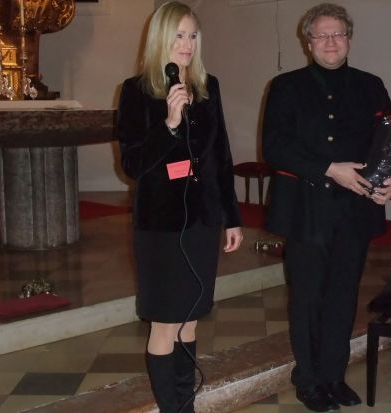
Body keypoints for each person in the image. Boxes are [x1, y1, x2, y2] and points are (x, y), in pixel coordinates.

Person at [262, 3, 391, 412]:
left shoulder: (370, 85)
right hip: (305, 209)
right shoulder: (286, 86)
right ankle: (308, 379)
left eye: (338, 34)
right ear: (307, 42)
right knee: (307, 298)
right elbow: (274, 147)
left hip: (354, 210)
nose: (330, 41)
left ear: (349, 39)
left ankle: (333, 375)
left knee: (343, 296)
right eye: (322, 35)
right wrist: (329, 169)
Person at [116, 2, 243, 412]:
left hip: (202, 221)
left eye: (192, 35)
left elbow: (220, 156)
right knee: (166, 322)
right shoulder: (136, 91)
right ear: (160, 38)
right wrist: (169, 126)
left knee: (189, 319)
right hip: (161, 227)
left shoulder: (209, 87)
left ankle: (184, 406)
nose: (186, 44)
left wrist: (232, 218)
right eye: (178, 35)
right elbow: (133, 165)